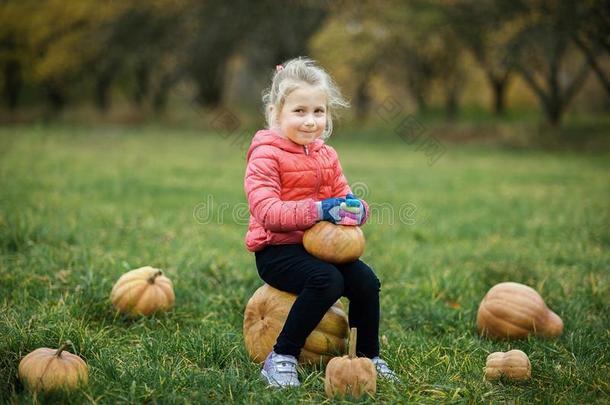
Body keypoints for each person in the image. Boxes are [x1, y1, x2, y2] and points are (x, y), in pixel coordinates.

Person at [244, 57, 397, 388]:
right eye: (299, 111)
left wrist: (357, 210)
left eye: (318, 111)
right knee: (327, 280)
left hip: (320, 248)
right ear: (276, 113)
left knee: (366, 282)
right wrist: (320, 210)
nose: (310, 121)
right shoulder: (265, 154)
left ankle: (369, 357)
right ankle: (281, 357)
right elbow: (267, 211)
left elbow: (345, 196)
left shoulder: (327, 156)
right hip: (277, 251)